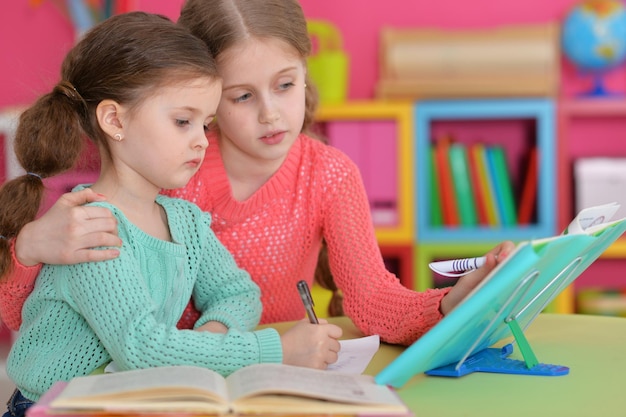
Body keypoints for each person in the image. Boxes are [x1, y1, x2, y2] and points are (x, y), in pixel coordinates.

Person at [0, 0, 513, 347]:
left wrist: (450, 302)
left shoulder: (328, 174)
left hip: (285, 377)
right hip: (182, 383)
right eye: (242, 96)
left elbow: (374, 302)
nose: (271, 114)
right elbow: (37, 324)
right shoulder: (167, 172)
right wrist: (27, 251)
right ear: (201, 93)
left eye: (285, 85)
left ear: (306, 71)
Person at [0, 11, 341, 417]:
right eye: (183, 121)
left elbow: (238, 293)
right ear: (114, 120)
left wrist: (213, 336)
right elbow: (143, 348)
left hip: (120, 402)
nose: (201, 142)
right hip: (53, 408)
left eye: (206, 124)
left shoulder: (184, 220)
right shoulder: (92, 228)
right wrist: (276, 350)